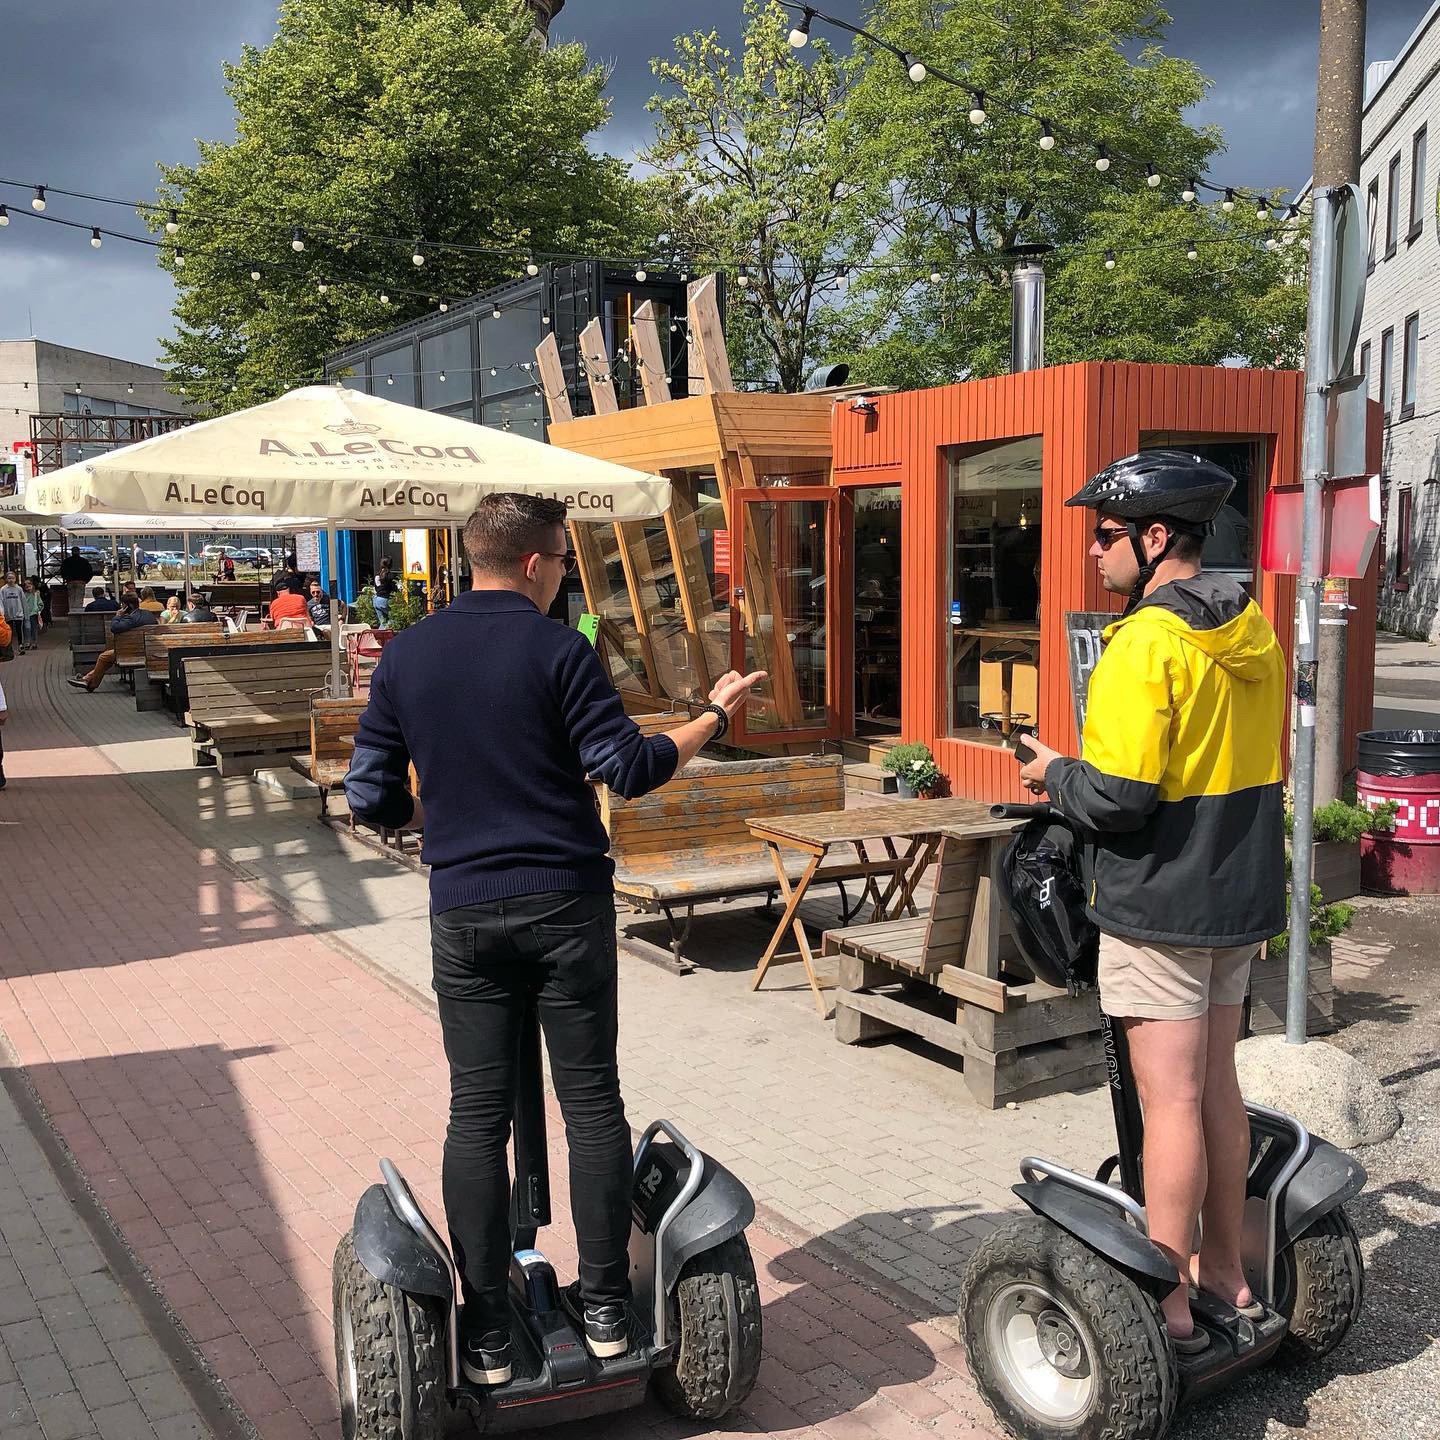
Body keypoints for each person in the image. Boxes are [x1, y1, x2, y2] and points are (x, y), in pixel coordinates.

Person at [344, 494, 764, 1388]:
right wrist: (714, 717)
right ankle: (609, 1313)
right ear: (537, 562)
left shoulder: (407, 655)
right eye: (564, 562)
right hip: (566, 910)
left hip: (465, 914)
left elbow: (371, 798)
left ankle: (490, 1335)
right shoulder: (558, 650)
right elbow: (633, 769)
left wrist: (443, 815)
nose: (565, 574)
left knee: (474, 1118)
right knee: (594, 1109)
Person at [1016, 451, 1285, 1354]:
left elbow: (1121, 798)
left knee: (1166, 1103)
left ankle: (1168, 1303)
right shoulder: (1252, 629)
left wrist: (1054, 772)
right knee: (1218, 1088)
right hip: (1236, 898)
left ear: (1154, 537)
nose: (1094, 551)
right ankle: (1231, 1274)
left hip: (1162, 903)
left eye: (1105, 533)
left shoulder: (1145, 645)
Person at [66, 595, 159, 692]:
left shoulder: (131, 619)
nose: (121, 607)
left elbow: (114, 628)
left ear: (128, 606)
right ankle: (87, 679)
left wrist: (117, 616)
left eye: (123, 605)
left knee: (103, 657)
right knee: (107, 658)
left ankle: (90, 683)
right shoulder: (148, 614)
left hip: (131, 652)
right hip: (149, 649)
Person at [59, 547, 94, 613]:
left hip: (71, 582)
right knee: (79, 599)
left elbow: (62, 572)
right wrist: (85, 581)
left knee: (71, 599)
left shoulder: (67, 561)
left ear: (72, 552)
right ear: (79, 552)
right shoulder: (84, 561)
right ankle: (78, 613)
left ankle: (71, 612)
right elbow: (90, 572)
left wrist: (67, 579)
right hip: (81, 582)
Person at [0, 574, 27, 654]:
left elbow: (23, 601)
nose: (11, 580)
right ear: (6, 579)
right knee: (9, 631)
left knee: (19, 630)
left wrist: (25, 613)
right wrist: (2, 613)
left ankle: (21, 645)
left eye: (12, 578)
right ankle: (9, 647)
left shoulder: (19, 589)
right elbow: (0, 602)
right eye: (9, 578)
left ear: (15, 579)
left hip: (18, 613)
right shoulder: (3, 590)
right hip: (8, 614)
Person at [372, 557, 397, 624]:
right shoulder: (390, 575)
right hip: (384, 600)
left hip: (376, 600)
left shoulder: (377, 575)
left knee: (383, 622)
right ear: (390, 565)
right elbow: (394, 588)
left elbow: (378, 587)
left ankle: (381, 634)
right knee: (395, 618)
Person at [21, 579, 44, 651]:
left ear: (32, 586)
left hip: (34, 614)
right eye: (26, 586)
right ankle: (27, 642)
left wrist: (38, 610)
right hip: (26, 614)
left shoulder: (36, 594)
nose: (28, 587)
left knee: (34, 629)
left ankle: (34, 642)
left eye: (29, 585)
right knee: (27, 629)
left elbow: (41, 604)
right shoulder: (23, 595)